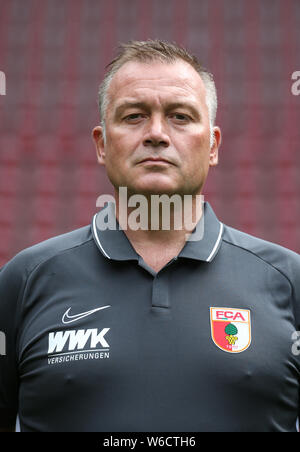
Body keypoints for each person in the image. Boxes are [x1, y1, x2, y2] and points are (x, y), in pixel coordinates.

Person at [0, 40, 299, 432]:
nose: (156, 134)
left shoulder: (289, 281)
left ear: (212, 145)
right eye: (134, 116)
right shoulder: (24, 280)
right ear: (102, 144)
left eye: (179, 116)